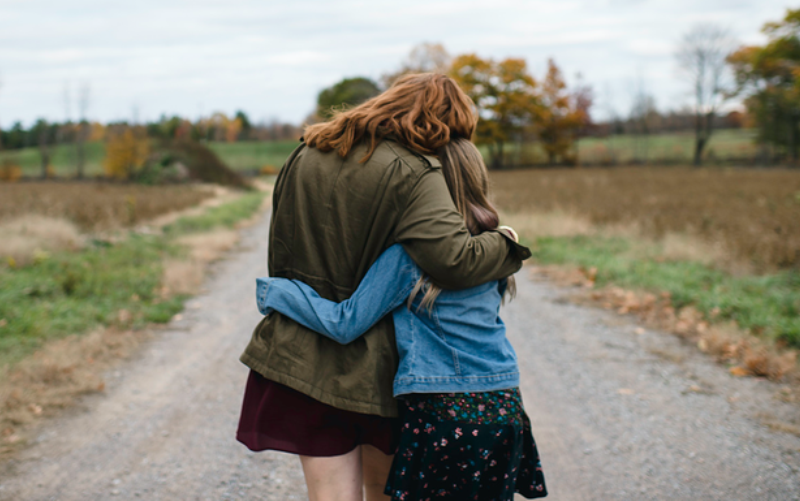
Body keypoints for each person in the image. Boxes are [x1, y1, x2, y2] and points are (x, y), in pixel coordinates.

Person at [236, 74, 529, 501]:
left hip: (297, 354)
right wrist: (507, 245)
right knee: (381, 493)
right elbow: (452, 259)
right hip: (376, 372)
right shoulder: (414, 169)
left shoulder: (305, 152)